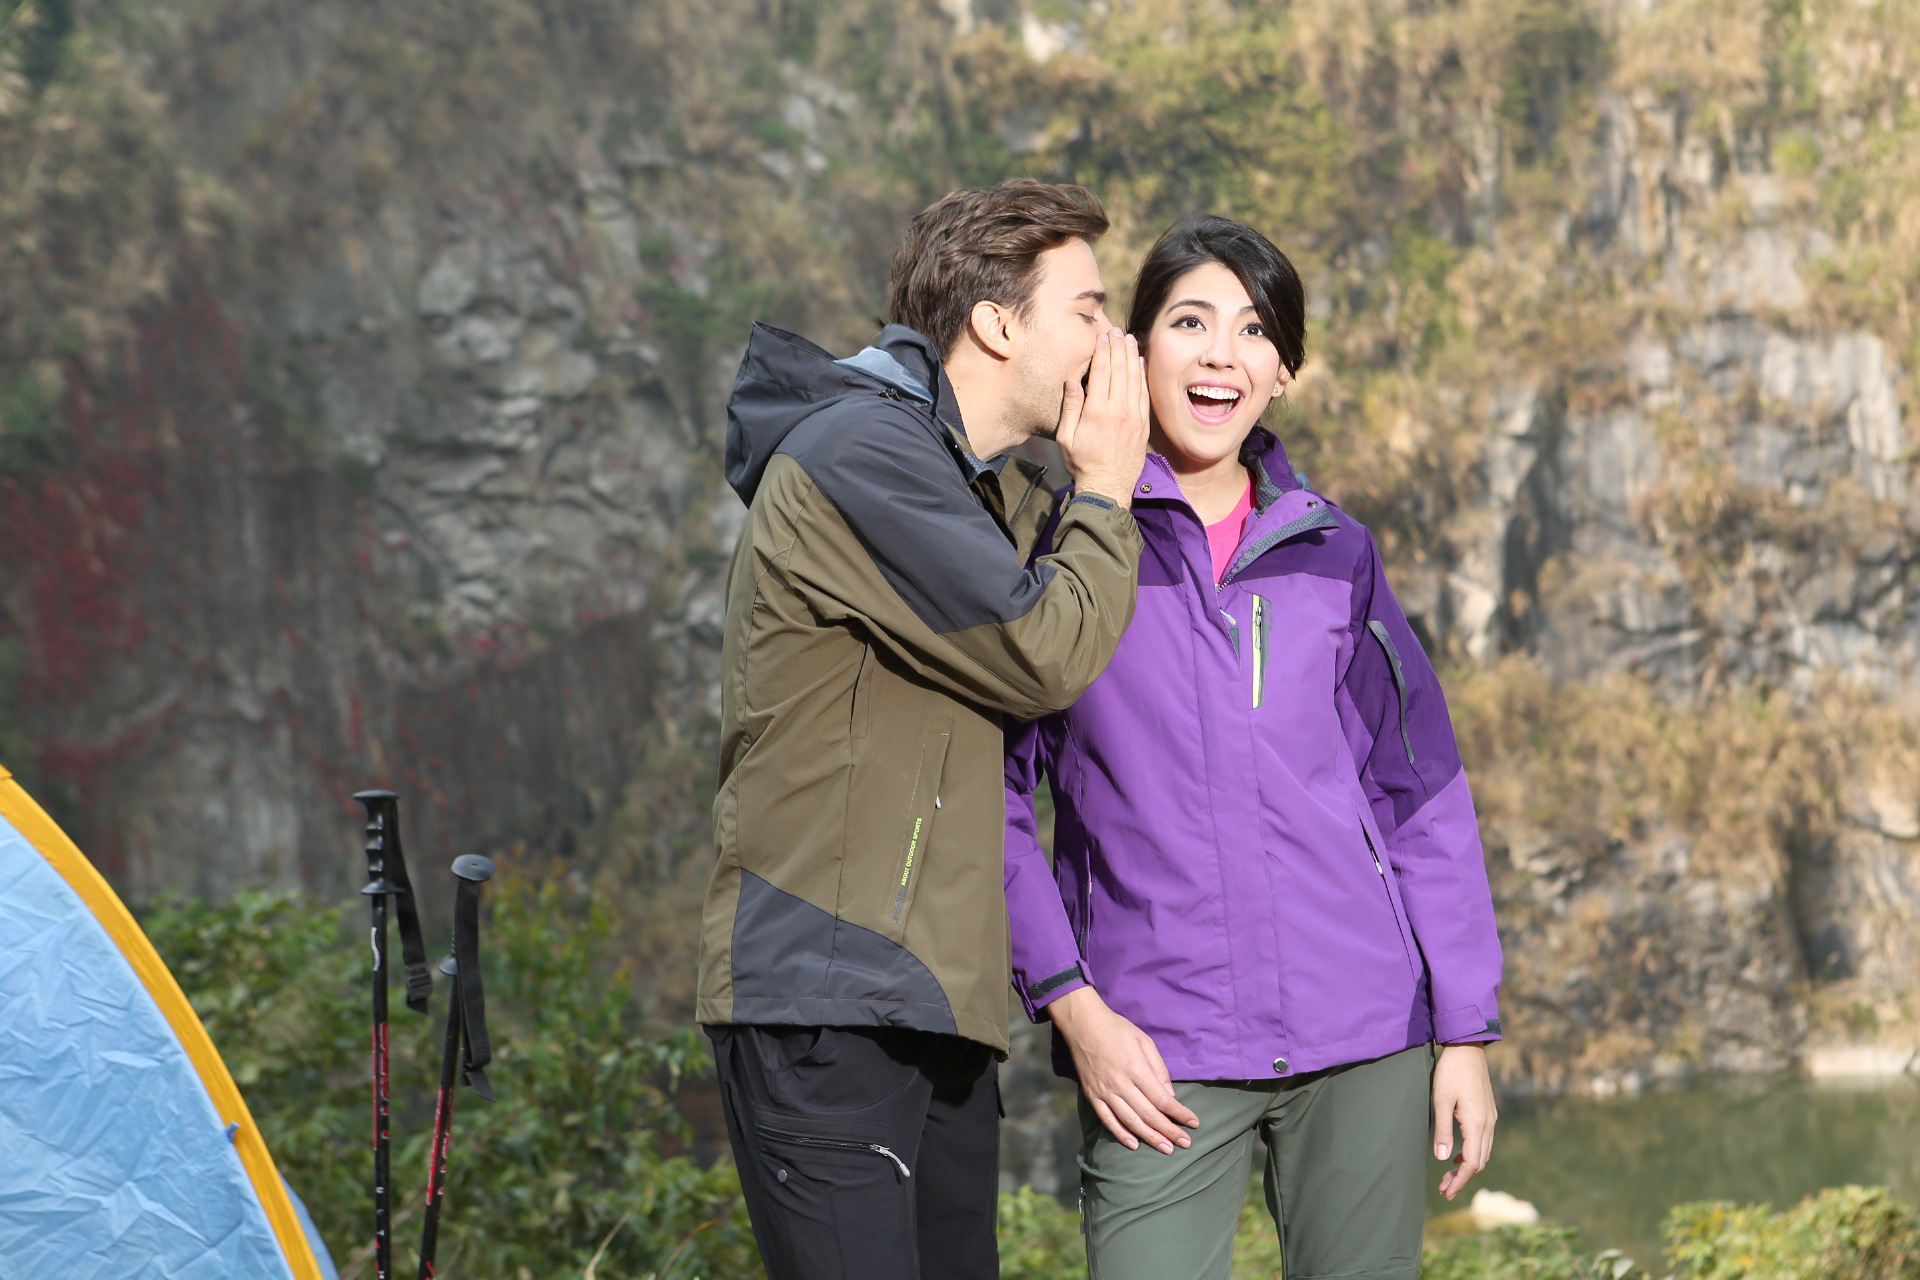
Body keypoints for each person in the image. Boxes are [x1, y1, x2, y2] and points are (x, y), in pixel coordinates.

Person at [1004, 215, 1504, 1280]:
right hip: (1155, 1043)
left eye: (1254, 330)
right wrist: (1074, 1008)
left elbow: (1419, 795)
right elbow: (994, 799)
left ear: (1283, 371)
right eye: (1190, 322)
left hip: (1362, 1031)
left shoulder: (1335, 552)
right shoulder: (1071, 549)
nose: (1221, 355)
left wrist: (1465, 1031)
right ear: (1134, 348)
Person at [697, 179, 1152, 1280]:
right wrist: (1105, 488)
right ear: (998, 324)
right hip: (830, 998)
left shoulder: (960, 484)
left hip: (927, 1000)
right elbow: (1043, 649)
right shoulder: (863, 452)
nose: (1114, 343)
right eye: (1088, 310)